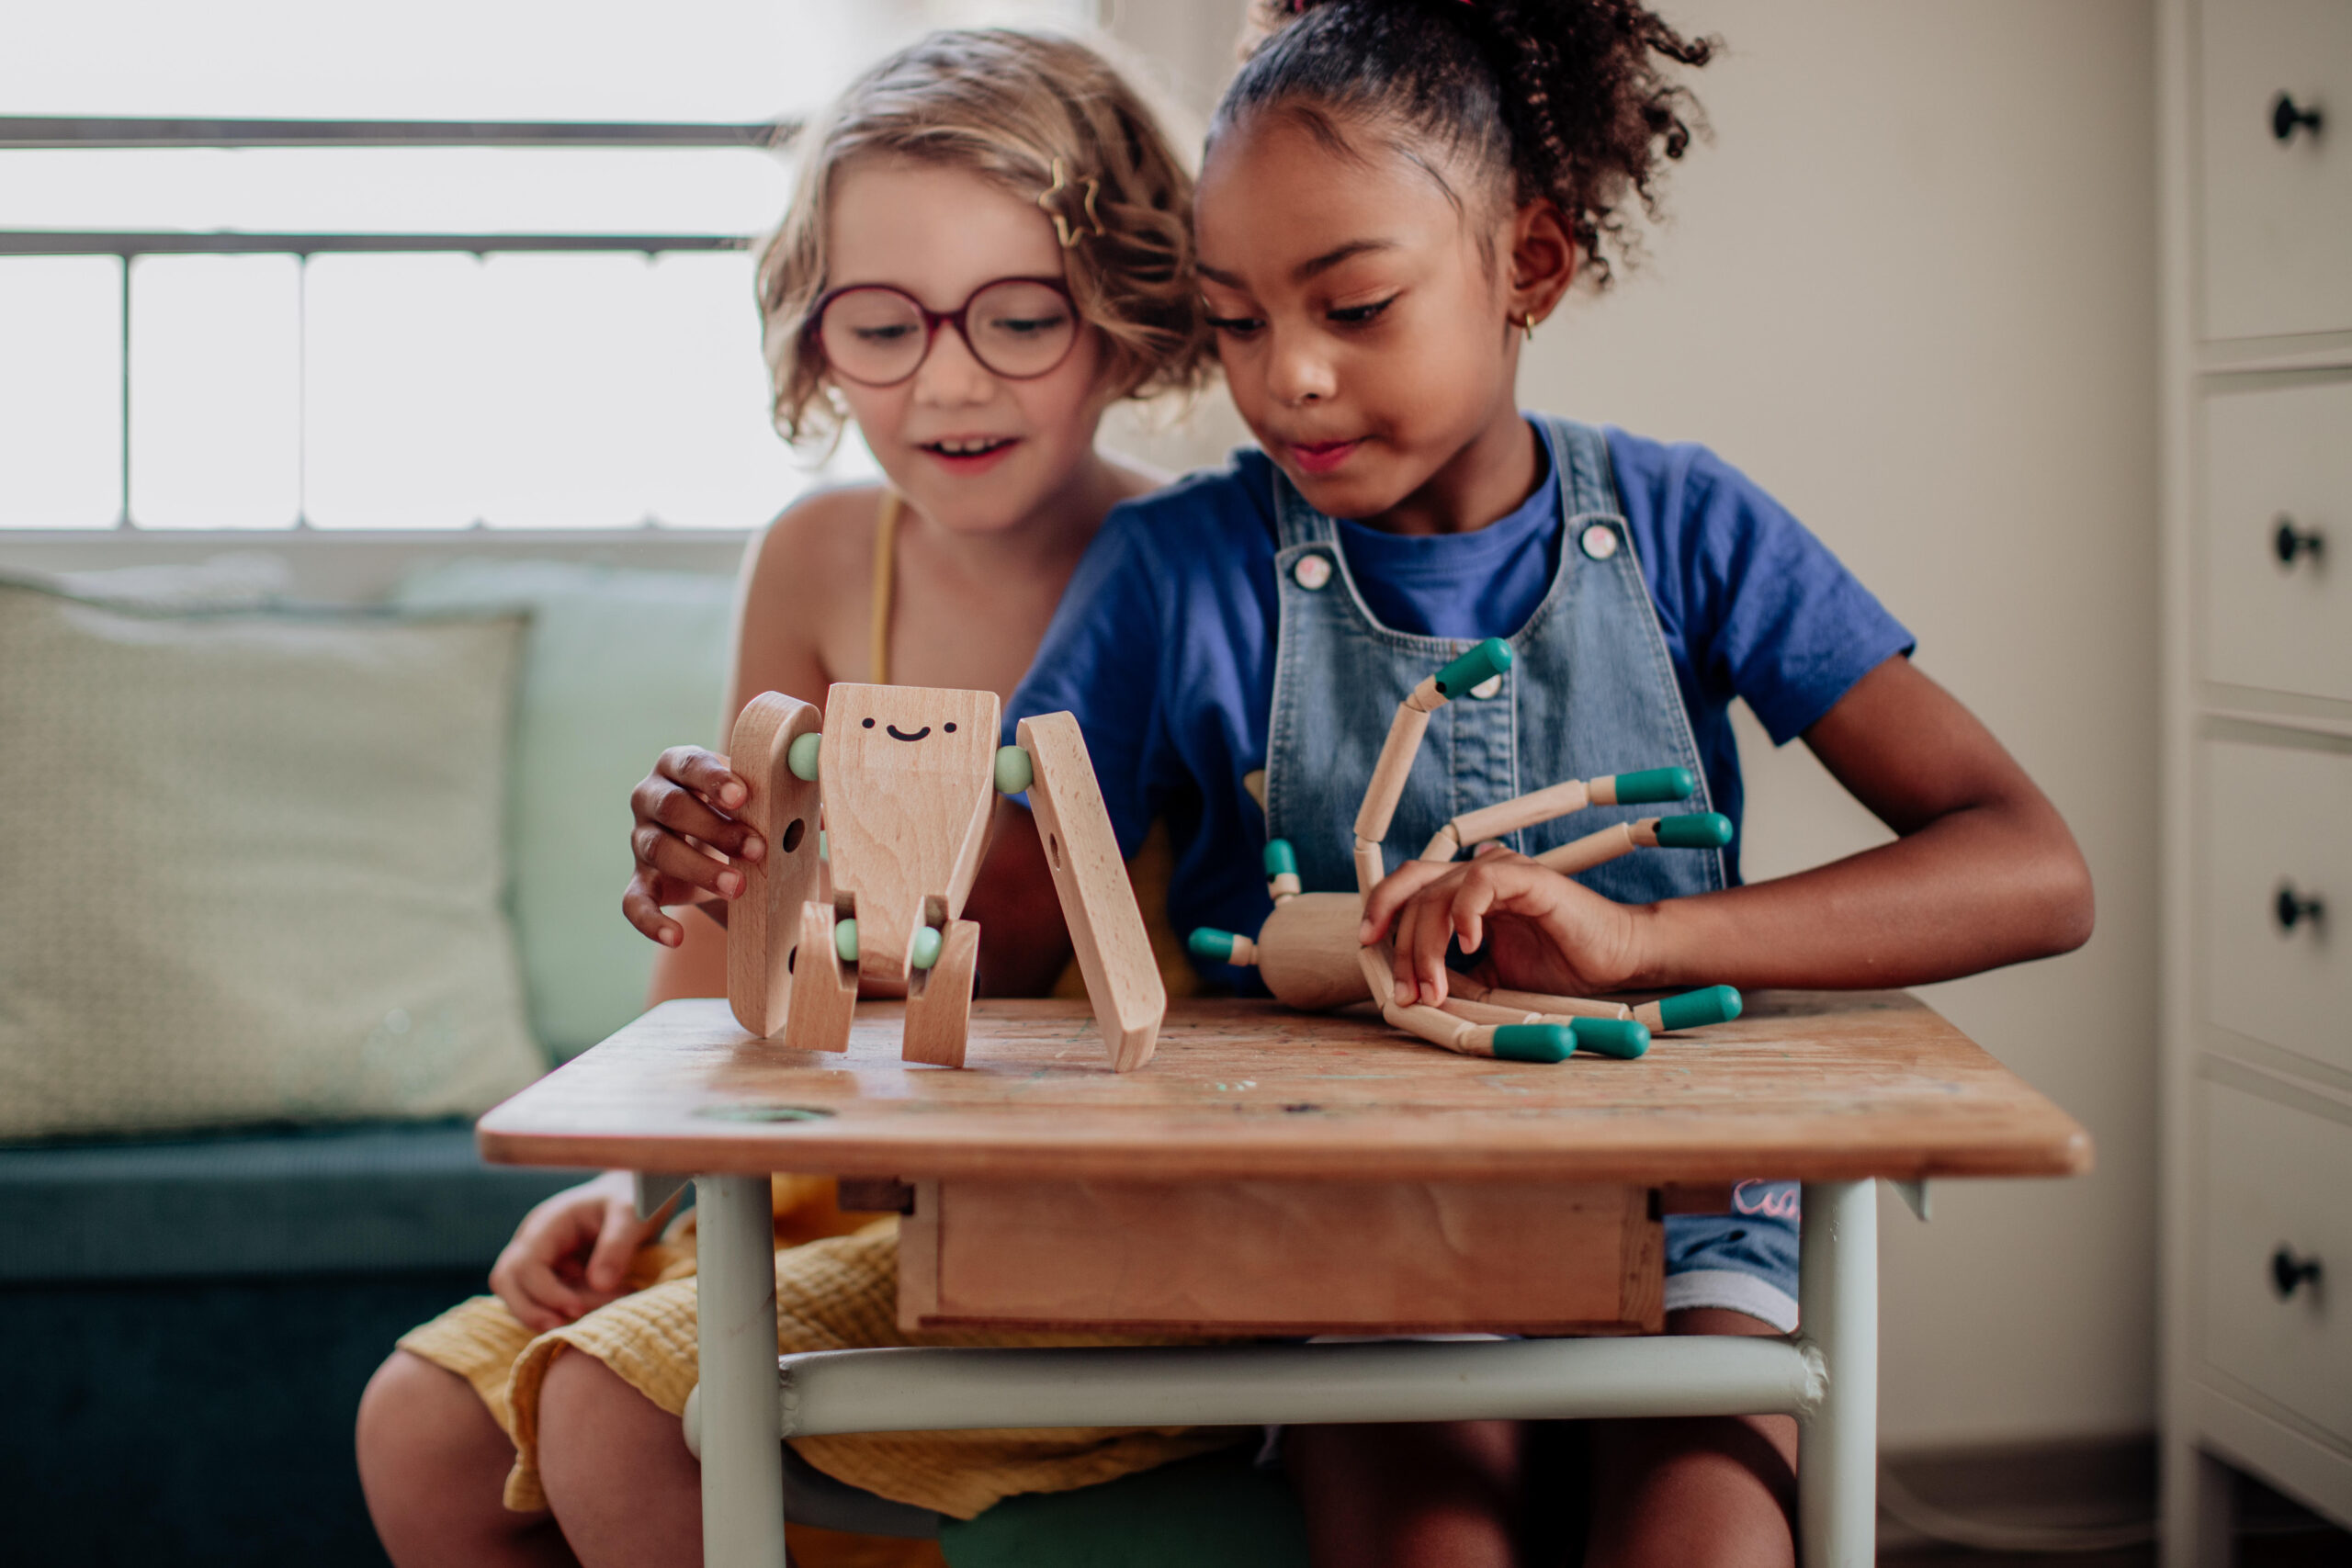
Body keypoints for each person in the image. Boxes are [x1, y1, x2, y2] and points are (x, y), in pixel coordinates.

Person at [974, 3, 2098, 1564]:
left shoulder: (1692, 526)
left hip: (1685, 1209)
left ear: (1533, 268)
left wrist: (1646, 945)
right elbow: (991, 937)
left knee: (1702, 1540)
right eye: (1235, 321)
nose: (1286, 376)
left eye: (1355, 305)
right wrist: (768, 852)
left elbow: (2034, 869)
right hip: (1348, 1225)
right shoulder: (1172, 573)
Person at [355, 29, 1221, 1568]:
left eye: (1020, 317)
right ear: (816, 338)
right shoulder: (821, 559)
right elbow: (719, 945)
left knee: (619, 1408)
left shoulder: (1201, 570)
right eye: (881, 326)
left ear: (1125, 313)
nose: (949, 379)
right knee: (419, 1423)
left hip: (1058, 1227)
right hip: (801, 1196)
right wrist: (637, 1178)